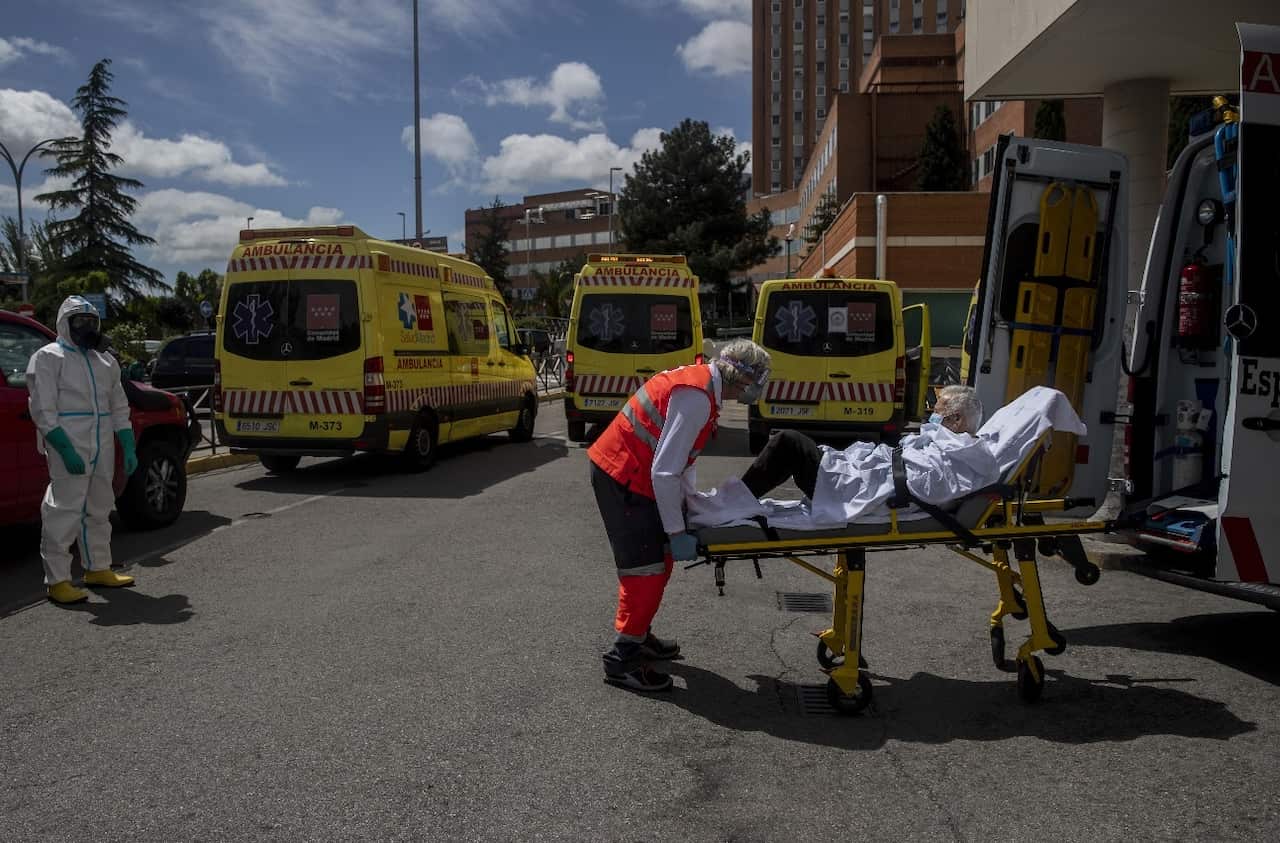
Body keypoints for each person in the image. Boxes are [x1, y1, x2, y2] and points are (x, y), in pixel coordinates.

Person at [588, 339, 772, 692]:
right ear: (743, 379)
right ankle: (622, 658)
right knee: (646, 570)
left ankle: (639, 635)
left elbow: (679, 461)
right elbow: (665, 472)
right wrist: (675, 530)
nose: (755, 391)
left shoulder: (701, 387)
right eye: (756, 383)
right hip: (624, 477)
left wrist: (689, 507)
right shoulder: (697, 398)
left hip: (633, 475)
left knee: (661, 562)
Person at [27, 295, 139, 605]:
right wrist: (64, 449)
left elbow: (119, 406)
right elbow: (42, 409)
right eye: (80, 322)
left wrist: (128, 446)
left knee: (100, 509)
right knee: (63, 511)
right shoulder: (48, 357)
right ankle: (58, 580)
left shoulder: (104, 361)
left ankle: (98, 568)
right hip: (70, 444)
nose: (87, 328)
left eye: (92, 322)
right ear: (65, 324)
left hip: (102, 444)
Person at [739, 384, 985, 500]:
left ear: (956, 419)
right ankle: (739, 498)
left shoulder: (957, 453)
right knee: (794, 445)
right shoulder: (945, 446)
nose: (931, 415)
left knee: (789, 442)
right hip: (857, 474)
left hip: (854, 487)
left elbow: (928, 486)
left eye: (938, 411)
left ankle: (736, 500)